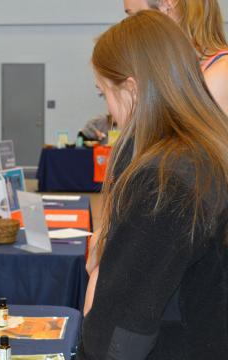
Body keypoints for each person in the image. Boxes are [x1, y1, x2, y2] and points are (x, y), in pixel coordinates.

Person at [78, 11, 228, 359]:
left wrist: (100, 273)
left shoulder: (165, 180)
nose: (111, 112)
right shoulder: (205, 151)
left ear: (132, 89)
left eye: (105, 94)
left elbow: (120, 336)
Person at [123, 0, 228, 115]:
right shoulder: (180, 71)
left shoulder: (220, 74)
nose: (131, 30)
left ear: (166, 6)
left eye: (134, 16)